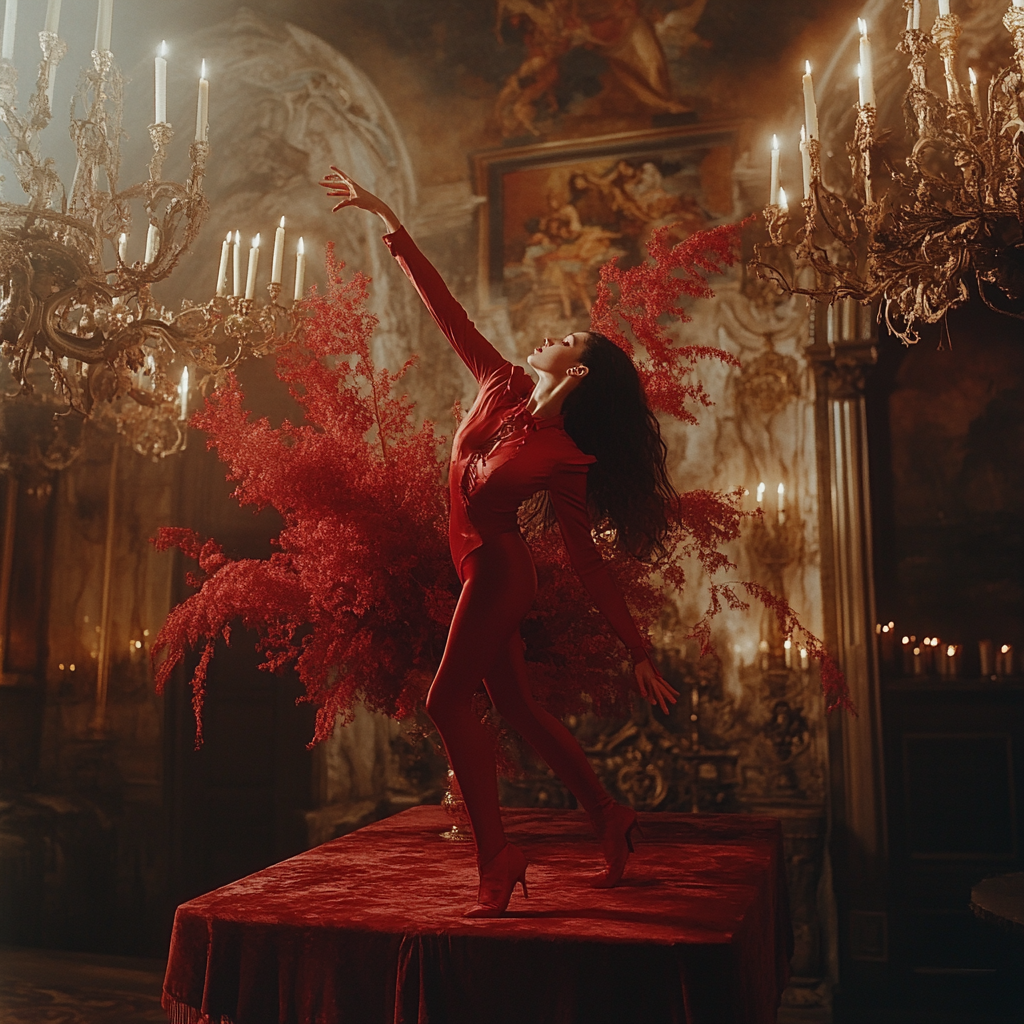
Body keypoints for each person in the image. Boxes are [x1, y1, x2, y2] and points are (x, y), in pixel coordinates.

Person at [319, 168, 680, 918]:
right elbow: (444, 309)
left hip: (499, 573)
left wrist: (636, 647)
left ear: (577, 371)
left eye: (565, 337)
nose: (547, 334)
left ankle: (497, 856)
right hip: (471, 565)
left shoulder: (568, 455)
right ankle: (607, 814)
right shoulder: (499, 381)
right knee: (514, 704)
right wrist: (388, 218)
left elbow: (585, 561)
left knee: (447, 701)